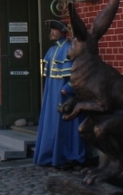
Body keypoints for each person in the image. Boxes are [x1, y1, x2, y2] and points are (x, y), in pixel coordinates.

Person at [33, 20, 86, 167]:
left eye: (54, 30)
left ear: (62, 31)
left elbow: (76, 73)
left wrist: (68, 88)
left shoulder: (69, 48)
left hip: (63, 93)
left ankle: (66, 154)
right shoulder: (52, 49)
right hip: (51, 90)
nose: (52, 32)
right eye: (52, 30)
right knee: (50, 121)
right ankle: (49, 154)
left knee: (64, 123)